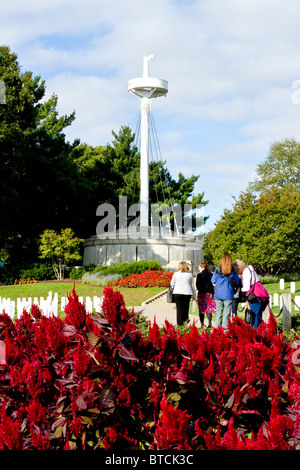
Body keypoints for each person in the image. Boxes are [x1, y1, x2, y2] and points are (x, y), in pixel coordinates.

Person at [233, 260, 269, 328]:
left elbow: (246, 287)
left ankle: (255, 334)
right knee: (258, 317)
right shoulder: (250, 269)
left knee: (255, 317)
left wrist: (239, 289)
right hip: (260, 293)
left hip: (255, 295)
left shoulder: (246, 272)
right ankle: (260, 333)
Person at [211, 253, 239, 330]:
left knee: (218, 313)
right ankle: (225, 331)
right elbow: (236, 282)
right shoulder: (232, 270)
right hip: (228, 294)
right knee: (227, 313)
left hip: (218, 294)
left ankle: (217, 330)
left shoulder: (218, 269)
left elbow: (213, 280)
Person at [170, 261, 196, 326]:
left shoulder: (176, 274)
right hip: (187, 293)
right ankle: (185, 321)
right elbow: (192, 285)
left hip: (177, 292)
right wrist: (194, 295)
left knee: (179, 309)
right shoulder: (189, 274)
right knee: (186, 308)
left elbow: (172, 284)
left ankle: (179, 324)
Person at [196, 262, 216, 328]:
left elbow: (197, 285)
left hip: (202, 293)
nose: (199, 269)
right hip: (209, 293)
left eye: (199, 267)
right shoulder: (211, 274)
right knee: (209, 309)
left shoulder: (199, 275)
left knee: (202, 309)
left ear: (202, 267)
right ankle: (210, 322)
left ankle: (202, 324)